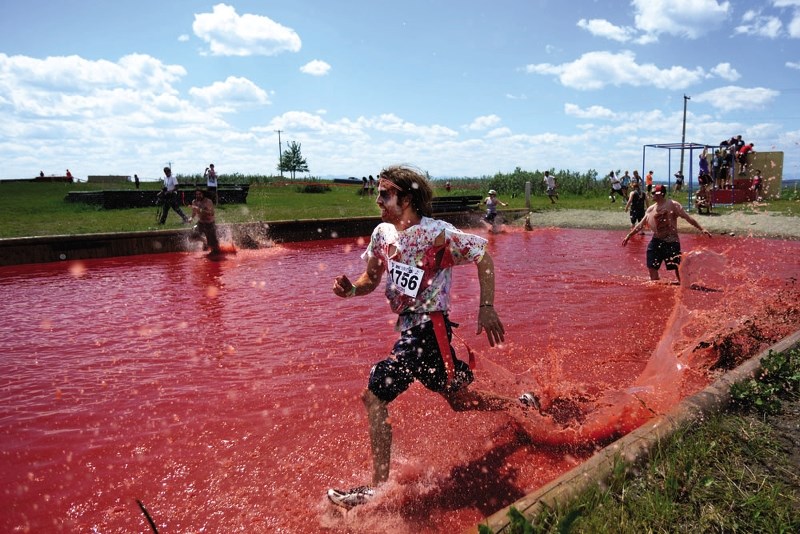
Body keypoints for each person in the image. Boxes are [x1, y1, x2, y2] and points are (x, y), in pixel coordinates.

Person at [327, 165, 509, 508]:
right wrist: (351, 290)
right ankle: (521, 408)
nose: (377, 199)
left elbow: (483, 256)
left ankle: (378, 491)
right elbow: (370, 279)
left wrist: (486, 306)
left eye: (385, 193)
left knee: (375, 393)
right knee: (460, 401)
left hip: (430, 327)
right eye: (378, 193)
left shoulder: (437, 234)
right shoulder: (382, 234)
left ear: (406, 198)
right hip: (412, 329)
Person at [622, 184, 712, 283]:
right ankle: (656, 287)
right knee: (652, 266)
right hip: (656, 241)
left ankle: (684, 285)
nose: (651, 195)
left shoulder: (673, 205)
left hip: (671, 241)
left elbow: (688, 218)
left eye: (653, 193)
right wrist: (629, 235)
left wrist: (702, 228)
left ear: (660, 194)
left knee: (676, 267)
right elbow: (640, 225)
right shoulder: (650, 209)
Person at [189, 188, 220, 255]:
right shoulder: (194, 202)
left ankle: (209, 244)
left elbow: (211, 213)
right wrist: (191, 218)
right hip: (201, 223)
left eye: (199, 194)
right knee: (191, 237)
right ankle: (204, 241)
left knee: (215, 250)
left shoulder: (208, 202)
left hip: (210, 224)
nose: (198, 196)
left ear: (203, 194)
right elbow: (194, 212)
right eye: (196, 194)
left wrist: (200, 210)